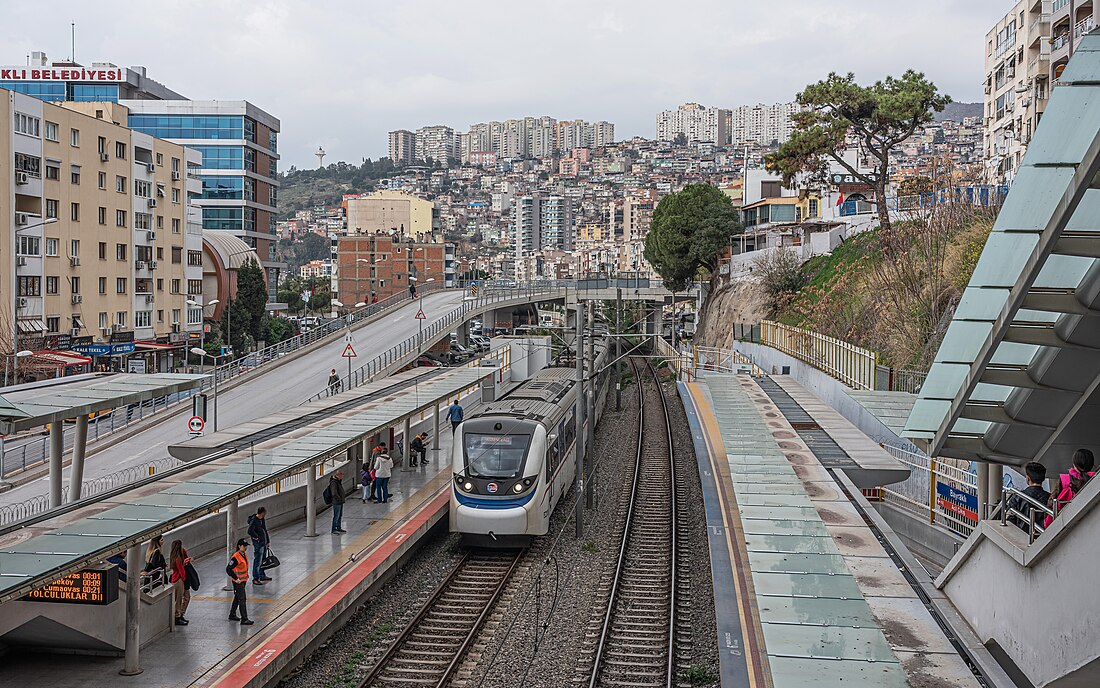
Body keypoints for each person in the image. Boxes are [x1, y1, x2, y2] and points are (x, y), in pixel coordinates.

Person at [1046, 448, 1096, 527]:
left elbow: (1051, 502)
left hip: (1068, 521)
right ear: (1091, 464)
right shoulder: (1096, 479)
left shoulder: (1064, 479)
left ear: (1074, 463)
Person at [1007, 462, 1050, 533]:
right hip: (1044, 535)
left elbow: (1010, 519)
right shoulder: (1050, 497)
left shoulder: (1017, 496)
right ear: (1043, 479)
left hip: (1022, 535)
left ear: (1027, 478)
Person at [226, 539, 254, 625]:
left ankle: (232, 614)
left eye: (246, 546)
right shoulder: (235, 557)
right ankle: (244, 619)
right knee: (242, 599)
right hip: (238, 582)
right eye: (244, 546)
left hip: (243, 580)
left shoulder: (244, 554)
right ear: (239, 546)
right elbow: (228, 569)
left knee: (237, 597)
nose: (246, 548)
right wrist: (236, 578)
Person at [169, 540, 192, 626]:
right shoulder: (178, 558)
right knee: (178, 599)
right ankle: (177, 616)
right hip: (178, 580)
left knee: (183, 597)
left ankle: (180, 614)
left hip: (176, 579)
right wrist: (184, 578)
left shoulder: (174, 556)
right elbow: (181, 571)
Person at [247, 507, 272, 585]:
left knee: (263, 560)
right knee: (258, 560)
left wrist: (267, 541)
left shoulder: (262, 520)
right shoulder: (254, 520)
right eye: (264, 513)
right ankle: (255, 578)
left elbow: (264, 530)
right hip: (258, 543)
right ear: (262, 513)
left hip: (263, 542)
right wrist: (257, 537)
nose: (265, 514)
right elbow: (249, 531)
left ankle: (261, 575)